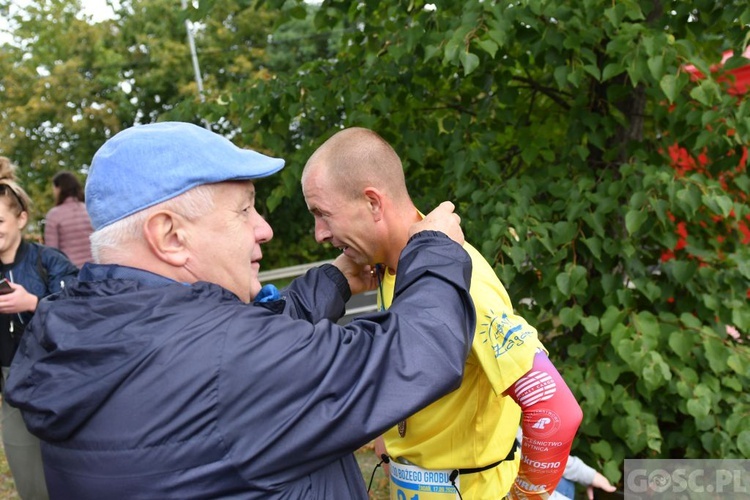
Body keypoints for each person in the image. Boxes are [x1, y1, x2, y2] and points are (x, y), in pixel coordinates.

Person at [5, 121, 477, 499]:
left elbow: (239, 356)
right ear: (169, 236)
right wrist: (433, 249)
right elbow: (419, 351)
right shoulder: (226, 362)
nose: (264, 229)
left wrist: (332, 281)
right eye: (244, 210)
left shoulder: (81, 333)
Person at [301, 127, 583, 499]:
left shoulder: (461, 282)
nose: (319, 234)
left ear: (373, 203)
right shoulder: (395, 267)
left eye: (323, 214)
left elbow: (555, 409)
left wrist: (525, 497)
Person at [0, 157, 79, 500]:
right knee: (29, 478)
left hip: (55, 380)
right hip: (11, 389)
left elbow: (81, 312)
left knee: (75, 471)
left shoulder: (50, 261)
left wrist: (33, 304)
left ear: (21, 218)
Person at [43, 170, 94, 267]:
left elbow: (52, 252)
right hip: (95, 271)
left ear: (59, 189)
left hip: (70, 273)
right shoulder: (89, 210)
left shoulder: (54, 215)